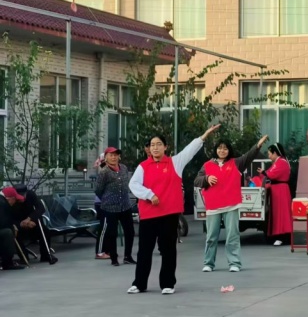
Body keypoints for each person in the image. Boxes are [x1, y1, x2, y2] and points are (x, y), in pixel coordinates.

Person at [127, 125, 220, 295]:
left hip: (168, 214)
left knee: (168, 250)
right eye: (152, 145)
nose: (155, 148)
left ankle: (168, 283)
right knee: (144, 251)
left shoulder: (175, 162)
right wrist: (149, 195)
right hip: (148, 215)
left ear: (165, 147)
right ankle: (139, 284)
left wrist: (204, 136)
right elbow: (133, 184)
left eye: (158, 144)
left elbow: (189, 150)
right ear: (149, 149)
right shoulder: (143, 166)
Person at [194, 134, 269, 272]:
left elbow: (249, 155)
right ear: (216, 149)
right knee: (211, 237)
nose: (222, 151)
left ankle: (234, 263)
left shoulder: (236, 163)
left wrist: (258, 145)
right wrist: (206, 178)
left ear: (229, 151)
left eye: (225, 148)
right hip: (213, 206)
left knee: (232, 236)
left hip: (231, 205)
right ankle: (208, 263)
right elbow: (197, 180)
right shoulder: (207, 165)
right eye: (220, 148)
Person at [95, 146, 135, 267]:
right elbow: (98, 190)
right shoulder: (104, 172)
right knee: (112, 233)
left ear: (119, 157)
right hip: (110, 207)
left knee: (130, 232)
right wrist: (107, 198)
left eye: (116, 155)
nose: (114, 157)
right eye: (111, 155)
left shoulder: (124, 168)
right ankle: (114, 257)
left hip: (125, 205)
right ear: (106, 157)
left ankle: (128, 256)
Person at [257, 143, 293, 246]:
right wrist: (264, 173)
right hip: (279, 189)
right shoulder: (280, 162)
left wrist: (264, 172)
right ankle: (282, 237)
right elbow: (270, 173)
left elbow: (271, 174)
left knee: (280, 214)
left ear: (275, 153)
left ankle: (282, 237)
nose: (269, 156)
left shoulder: (281, 162)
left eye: (269, 154)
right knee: (280, 213)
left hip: (280, 190)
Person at [13, 184, 57, 265]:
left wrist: (30, 219)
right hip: (18, 224)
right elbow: (8, 217)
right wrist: (21, 224)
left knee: (45, 231)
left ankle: (45, 255)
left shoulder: (31, 195)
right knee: (14, 234)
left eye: (23, 195)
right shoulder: (10, 200)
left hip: (32, 222)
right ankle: (24, 257)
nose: (22, 197)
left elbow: (40, 208)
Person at [0, 187, 25, 270]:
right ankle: (7, 262)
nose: (15, 202)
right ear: (10, 199)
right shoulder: (3, 203)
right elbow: (3, 222)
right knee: (8, 232)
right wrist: (13, 227)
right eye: (15, 200)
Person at [93, 154, 110, 260]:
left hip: (106, 203)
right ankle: (100, 252)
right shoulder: (103, 173)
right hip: (102, 203)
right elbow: (98, 190)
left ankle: (107, 250)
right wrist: (105, 199)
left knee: (108, 227)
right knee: (104, 227)